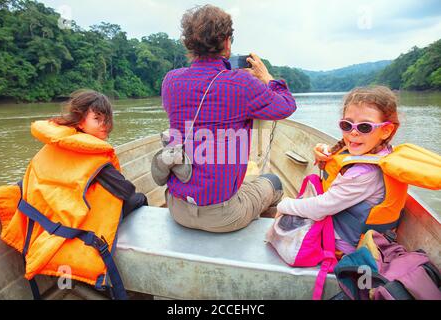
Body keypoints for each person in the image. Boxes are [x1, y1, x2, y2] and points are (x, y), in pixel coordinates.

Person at [0, 89, 147, 299]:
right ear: (80, 122)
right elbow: (127, 191)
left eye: (107, 119)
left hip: (42, 232)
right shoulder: (96, 160)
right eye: (97, 119)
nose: (105, 125)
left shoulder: (49, 147)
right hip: (74, 236)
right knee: (139, 200)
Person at [161, 4, 297, 233]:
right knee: (273, 182)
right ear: (227, 42)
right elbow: (286, 106)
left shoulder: (171, 81)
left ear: (189, 43)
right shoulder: (241, 84)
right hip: (223, 217)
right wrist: (266, 78)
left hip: (177, 209)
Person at [277, 86, 403, 255]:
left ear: (386, 130)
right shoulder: (384, 152)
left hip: (341, 246)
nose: (353, 133)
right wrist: (323, 149)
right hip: (347, 228)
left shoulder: (363, 174)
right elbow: (342, 153)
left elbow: (320, 208)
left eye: (365, 127)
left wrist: (284, 205)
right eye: (346, 125)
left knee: (284, 214)